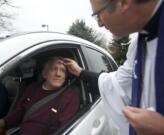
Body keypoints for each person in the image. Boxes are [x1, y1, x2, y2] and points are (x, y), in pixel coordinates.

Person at [62, 0, 164, 135]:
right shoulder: (137, 46)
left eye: (98, 15)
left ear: (123, 2)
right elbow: (116, 83)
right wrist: (80, 72)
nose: (99, 24)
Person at [0, 56, 80, 135]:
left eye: (63, 71)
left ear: (65, 77)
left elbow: (64, 129)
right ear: (44, 74)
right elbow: (20, 112)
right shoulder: (32, 88)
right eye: (54, 69)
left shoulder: (70, 96)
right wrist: (0, 122)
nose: (58, 74)